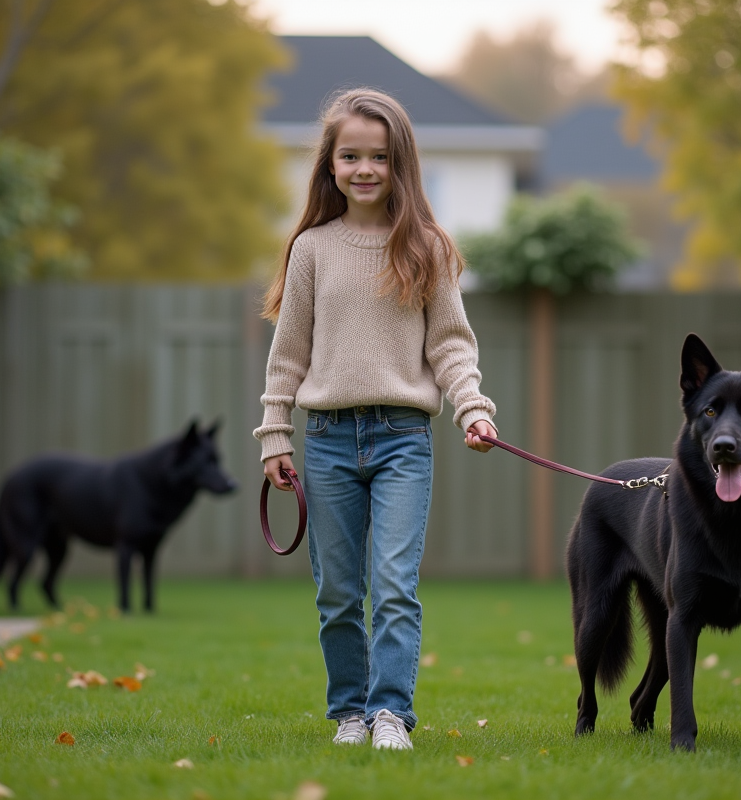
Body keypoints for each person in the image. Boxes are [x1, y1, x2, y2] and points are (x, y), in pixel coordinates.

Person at [253, 88, 497, 751]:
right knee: (337, 591)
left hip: (403, 440)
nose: (364, 168)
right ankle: (349, 715)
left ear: (400, 164)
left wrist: (472, 408)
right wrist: (275, 434)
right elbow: (289, 354)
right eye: (350, 155)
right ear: (330, 165)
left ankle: (391, 714)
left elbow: (450, 344)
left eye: (379, 157)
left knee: (393, 585)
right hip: (327, 442)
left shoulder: (428, 248)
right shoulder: (310, 250)